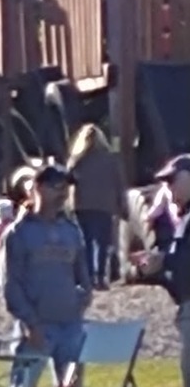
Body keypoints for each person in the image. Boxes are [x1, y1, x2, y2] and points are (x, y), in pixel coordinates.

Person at [0, 161, 92, 387]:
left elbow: (83, 275)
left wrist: (83, 298)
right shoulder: (18, 234)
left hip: (70, 326)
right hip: (35, 329)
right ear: (37, 188)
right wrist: (30, 322)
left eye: (66, 186)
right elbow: (10, 286)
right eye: (55, 186)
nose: (62, 193)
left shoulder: (71, 230)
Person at [128, 154, 190, 387]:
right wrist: (153, 270)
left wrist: (165, 261)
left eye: (172, 181)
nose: (167, 189)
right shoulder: (180, 221)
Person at [67, 124, 127, 290]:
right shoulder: (110, 158)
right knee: (102, 243)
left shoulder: (77, 159)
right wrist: (122, 203)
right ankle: (100, 277)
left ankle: (87, 278)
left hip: (82, 205)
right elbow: (119, 182)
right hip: (104, 205)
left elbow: (68, 179)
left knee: (84, 242)